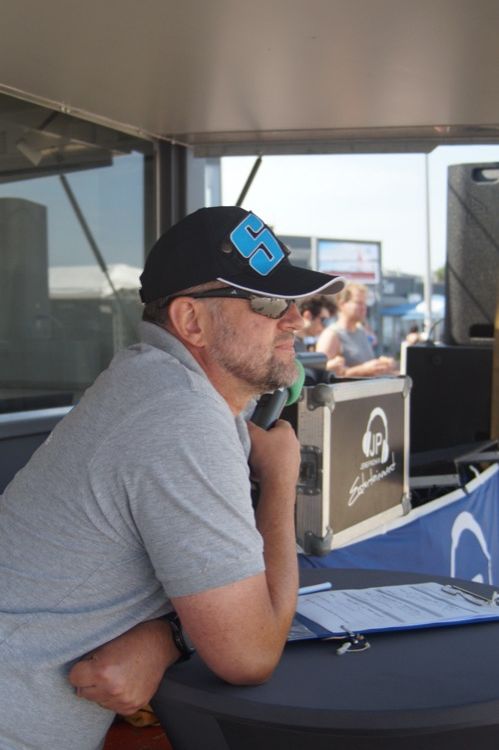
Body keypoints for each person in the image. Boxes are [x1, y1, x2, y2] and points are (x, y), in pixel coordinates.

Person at [0, 206, 344, 750]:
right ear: (191, 321)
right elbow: (249, 655)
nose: (295, 320)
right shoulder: (180, 416)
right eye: (268, 303)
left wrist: (164, 637)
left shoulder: (166, 387)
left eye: (293, 301)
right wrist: (281, 481)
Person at [316, 282, 397, 377]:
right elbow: (322, 376)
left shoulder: (361, 331)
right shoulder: (331, 335)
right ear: (342, 304)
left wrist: (381, 365)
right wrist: (362, 370)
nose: (364, 308)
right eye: (359, 303)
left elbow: (367, 366)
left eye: (364, 303)